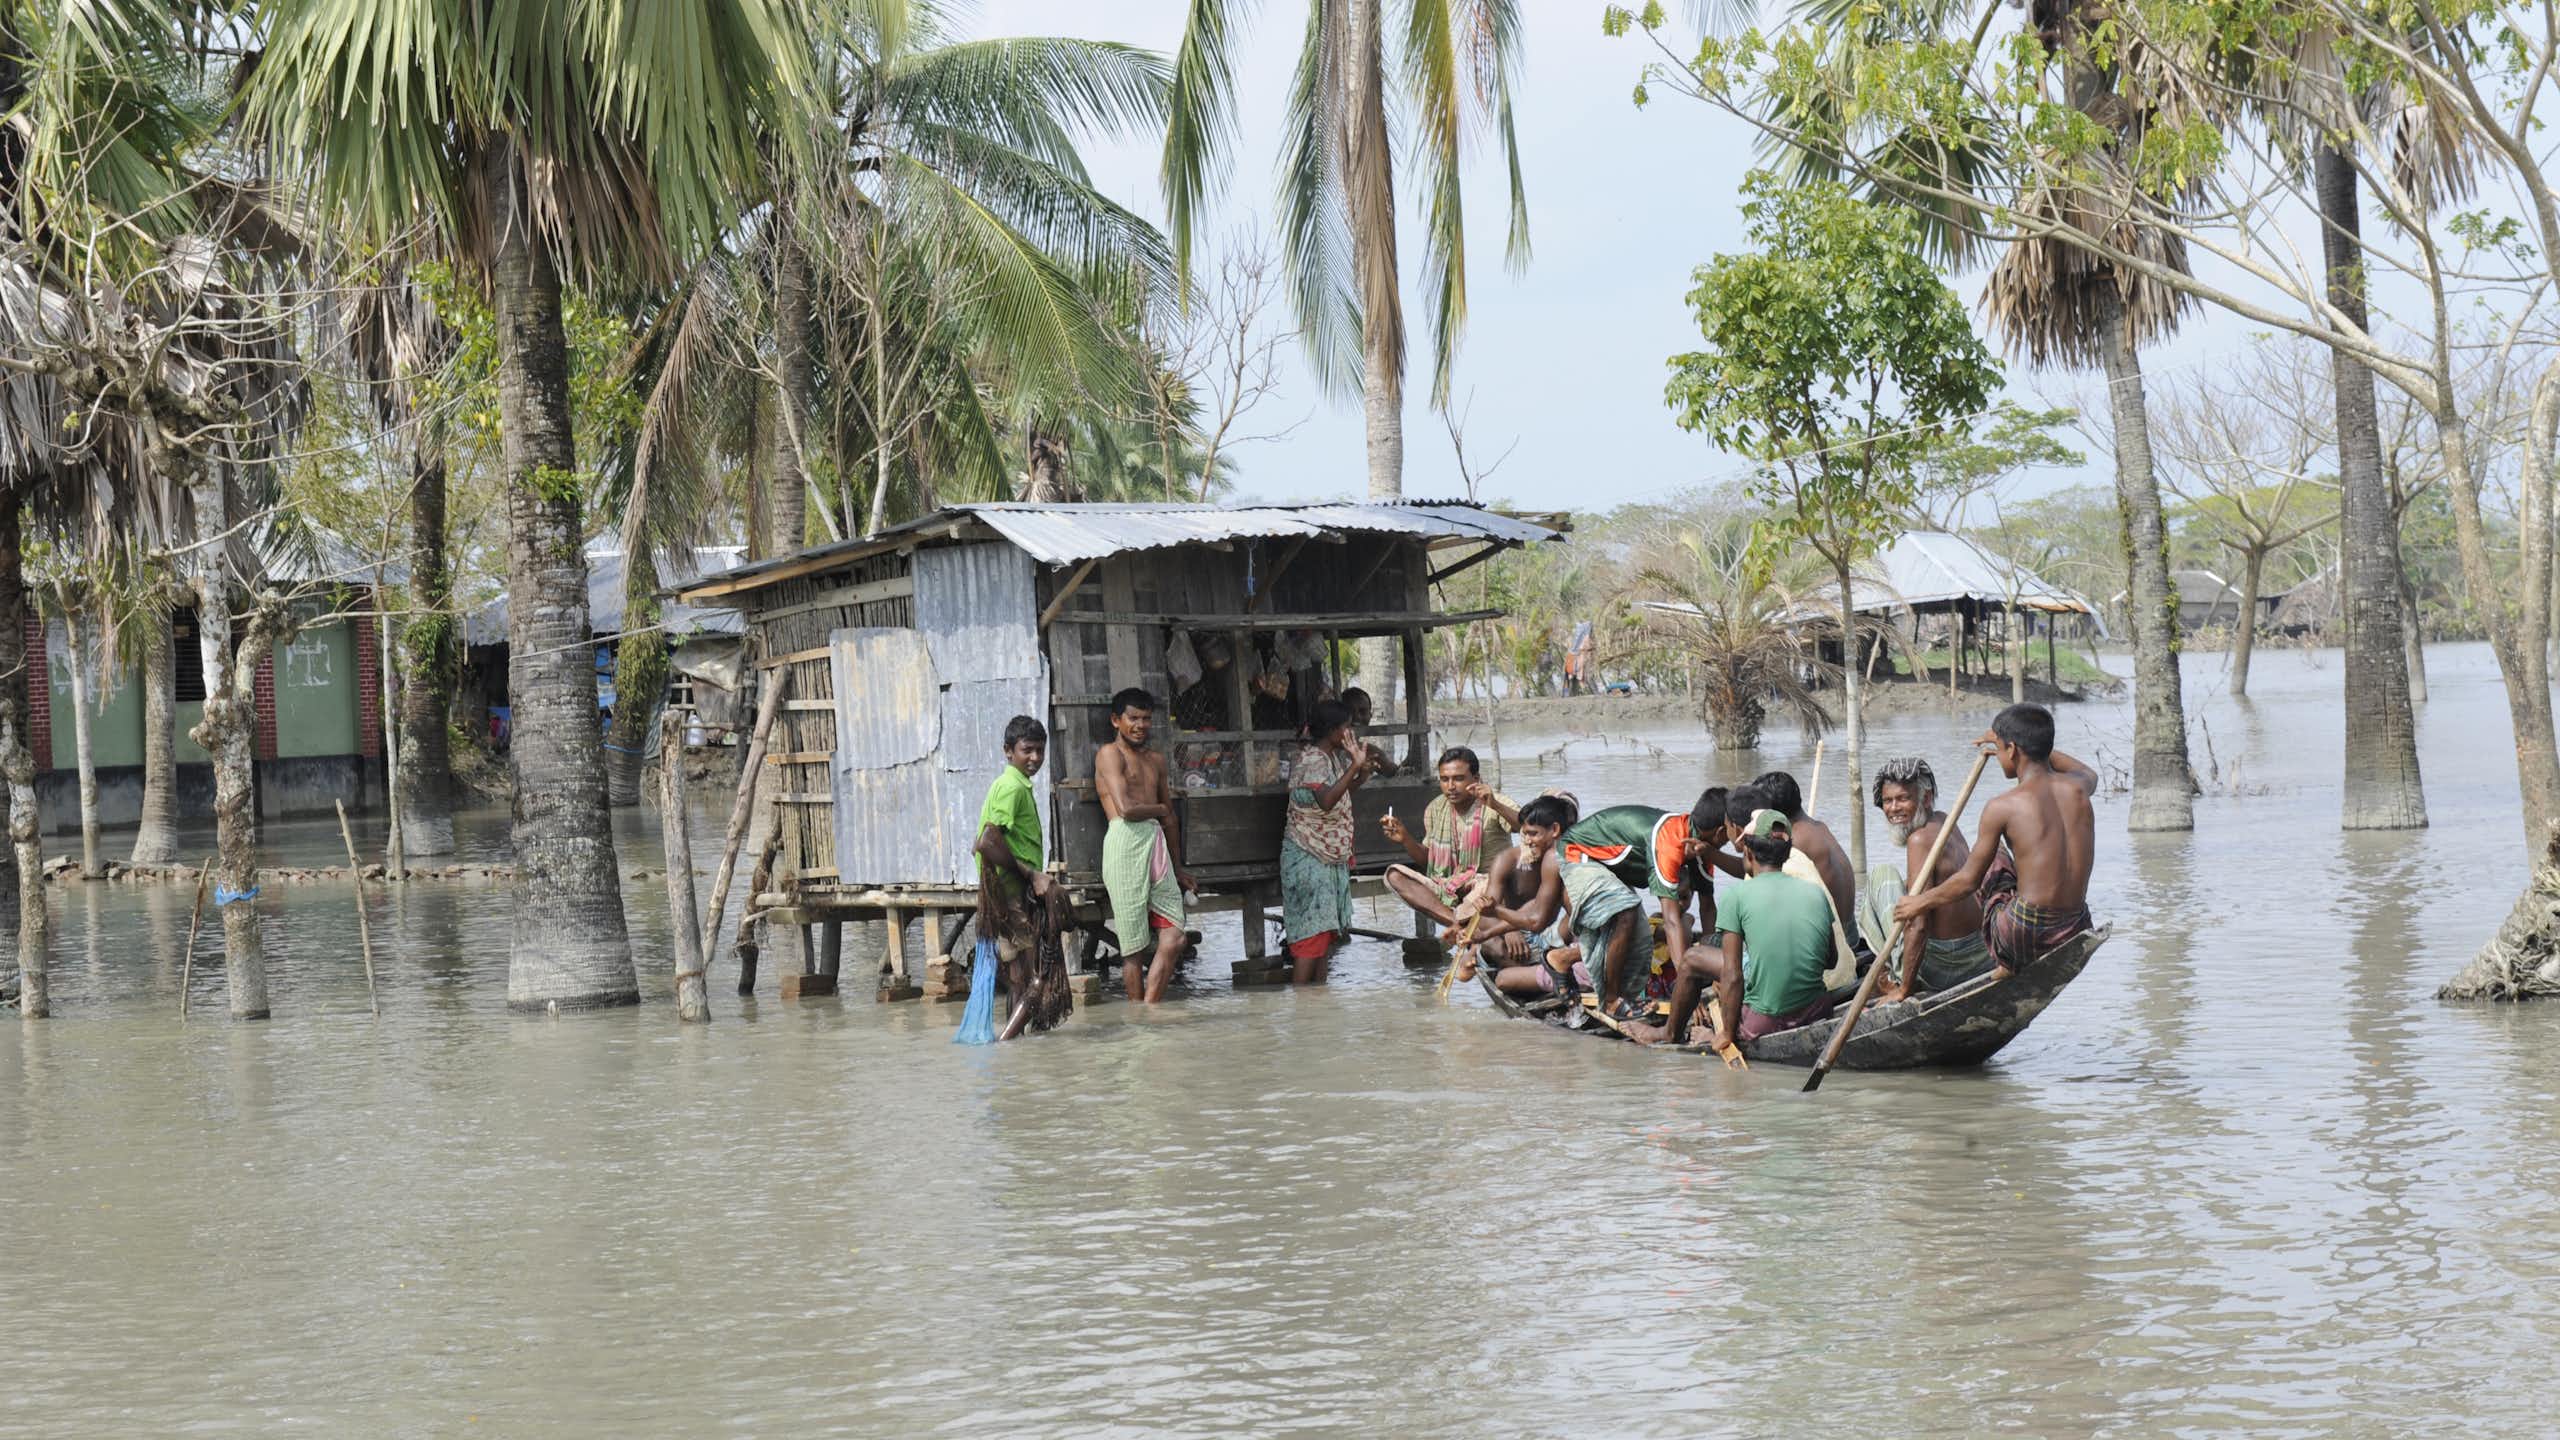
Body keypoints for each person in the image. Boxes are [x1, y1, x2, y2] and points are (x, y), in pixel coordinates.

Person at [1895, 704, 2098, 977]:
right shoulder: (2080, 786)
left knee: (1993, 857)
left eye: (2001, 748)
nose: (1999, 754)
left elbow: (1968, 881)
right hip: (2077, 924)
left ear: (2012, 750)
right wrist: (2024, 742)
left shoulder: (2002, 807)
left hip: (2024, 935)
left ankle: (2005, 963)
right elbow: (2087, 771)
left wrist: (1919, 902)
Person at [1632, 810, 1838, 1049]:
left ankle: (1668, 1033)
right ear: (1787, 853)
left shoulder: (1736, 896)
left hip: (1763, 1022)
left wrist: (1726, 1034)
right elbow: (1830, 960)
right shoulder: (1815, 892)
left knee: (1691, 958)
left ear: (1748, 853)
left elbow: (1732, 975)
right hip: (1819, 1010)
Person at [974, 715, 1072, 1039]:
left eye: (1040, 751)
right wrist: (1031, 874)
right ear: (1008, 751)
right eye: (1027, 750)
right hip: (1010, 893)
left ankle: (1016, 1053)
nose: (1035, 758)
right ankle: (1006, 1045)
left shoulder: (1015, 784)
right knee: (1036, 978)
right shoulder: (1011, 786)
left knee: (1018, 977)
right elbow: (987, 842)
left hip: (1009, 892)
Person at [1860, 757, 1991, 1001]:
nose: (1893, 808)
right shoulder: (1942, 819)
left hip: (1949, 966)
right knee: (1897, 882)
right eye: (1888, 801)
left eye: (1903, 798)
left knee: (1881, 875)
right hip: (1979, 952)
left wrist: (1904, 989)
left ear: (1926, 798)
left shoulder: (1919, 840)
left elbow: (1918, 924)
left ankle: (1898, 974)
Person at [1096, 687, 1195, 1003]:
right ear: (1116, 720)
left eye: (1146, 719)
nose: (1140, 725)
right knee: (1133, 948)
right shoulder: (1109, 754)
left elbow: (1170, 821)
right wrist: (1161, 810)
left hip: (1156, 844)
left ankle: (1148, 1010)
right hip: (1124, 842)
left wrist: (1179, 868)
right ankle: (1139, 1016)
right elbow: (1126, 809)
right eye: (1133, 718)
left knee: (1175, 936)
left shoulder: (1156, 760)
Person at [1280, 697, 1381, 983]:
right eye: (1347, 727)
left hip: (1324, 855)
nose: (1351, 732)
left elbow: (1343, 792)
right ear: (1334, 730)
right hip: (1308, 853)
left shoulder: (1331, 757)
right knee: (1310, 937)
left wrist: (1362, 770)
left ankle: (1318, 1007)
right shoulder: (1312, 759)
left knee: (1323, 935)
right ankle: (1303, 1001)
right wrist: (1354, 766)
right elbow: (1325, 801)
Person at [1562, 803, 1703, 979]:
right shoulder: (1660, 921)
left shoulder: (1679, 919)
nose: (1680, 903)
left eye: (1685, 897)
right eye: (1676, 897)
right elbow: (1669, 927)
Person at [1382, 746, 1520, 924]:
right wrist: (1405, 839)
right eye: (1445, 779)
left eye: (1459, 779)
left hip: (1487, 885)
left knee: (1491, 885)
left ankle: (1463, 921)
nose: (1451, 787)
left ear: (1476, 779)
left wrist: (1495, 805)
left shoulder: (1494, 801)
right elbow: (1428, 862)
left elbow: (1526, 827)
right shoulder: (1436, 807)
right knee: (1394, 875)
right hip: (1449, 885)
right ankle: (1456, 923)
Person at [1445, 794, 1576, 980]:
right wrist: (1508, 930)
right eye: (1526, 834)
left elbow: (1536, 916)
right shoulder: (1508, 860)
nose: (1528, 840)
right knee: (1493, 946)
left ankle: (1541, 975)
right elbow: (1488, 909)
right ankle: (1535, 972)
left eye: (1533, 833)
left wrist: (1499, 918)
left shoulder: (1557, 858)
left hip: (1547, 933)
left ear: (1555, 830)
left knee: (1504, 980)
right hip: (1521, 930)